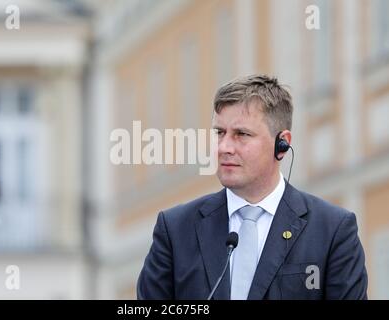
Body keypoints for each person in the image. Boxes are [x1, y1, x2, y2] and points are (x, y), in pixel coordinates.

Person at [136, 75, 368, 300]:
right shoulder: (176, 229)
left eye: (241, 134)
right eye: (220, 133)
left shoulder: (332, 230)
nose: (224, 147)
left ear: (282, 144)